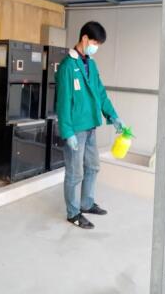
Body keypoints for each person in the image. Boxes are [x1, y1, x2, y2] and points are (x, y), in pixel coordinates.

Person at [56, 21, 125, 229]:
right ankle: (73, 213)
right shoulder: (67, 66)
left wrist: (113, 116)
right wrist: (67, 132)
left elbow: (100, 93)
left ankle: (86, 203)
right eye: (95, 43)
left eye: (98, 45)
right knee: (75, 173)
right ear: (84, 38)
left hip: (91, 125)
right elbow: (63, 102)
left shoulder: (91, 65)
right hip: (76, 129)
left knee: (93, 167)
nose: (96, 47)